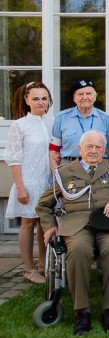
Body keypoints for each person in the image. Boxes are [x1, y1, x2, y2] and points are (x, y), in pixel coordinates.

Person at [36, 130, 109, 335]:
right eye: (89, 147)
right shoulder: (64, 172)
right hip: (76, 224)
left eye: (98, 147)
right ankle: (81, 311)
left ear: (104, 150)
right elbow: (43, 205)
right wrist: (49, 227)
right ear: (80, 149)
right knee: (78, 250)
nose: (93, 151)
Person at [4, 82, 54, 284]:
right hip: (28, 181)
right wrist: (20, 187)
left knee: (45, 224)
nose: (40, 102)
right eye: (35, 98)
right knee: (27, 223)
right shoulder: (20, 125)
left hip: (47, 181)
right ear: (26, 100)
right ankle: (28, 268)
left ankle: (43, 264)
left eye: (44, 98)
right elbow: (14, 158)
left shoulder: (51, 122)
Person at [49, 79, 109, 170]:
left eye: (88, 94)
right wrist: (56, 175)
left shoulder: (106, 119)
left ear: (95, 96)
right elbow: (54, 150)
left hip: (99, 168)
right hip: (69, 167)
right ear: (74, 98)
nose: (85, 97)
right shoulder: (61, 118)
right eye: (80, 94)